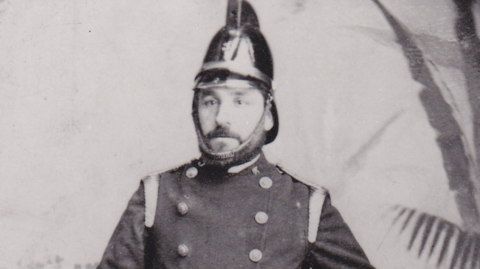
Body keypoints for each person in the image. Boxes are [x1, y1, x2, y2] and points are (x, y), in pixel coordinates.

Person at [98, 1, 375, 268]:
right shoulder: (157, 193)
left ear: (267, 115)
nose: (221, 117)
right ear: (195, 109)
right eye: (210, 101)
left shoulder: (302, 204)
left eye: (240, 101)